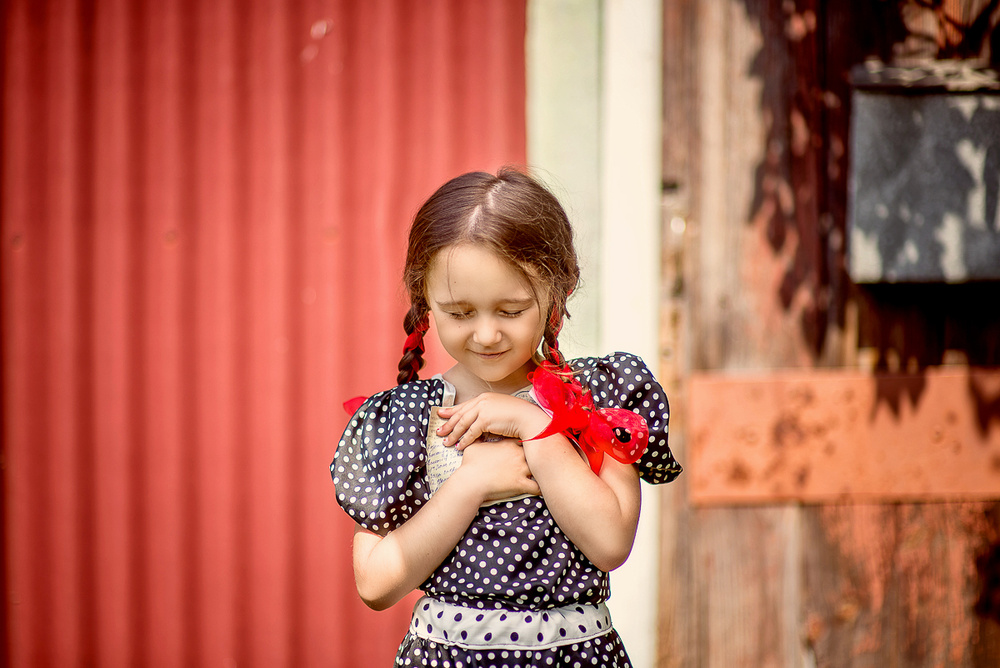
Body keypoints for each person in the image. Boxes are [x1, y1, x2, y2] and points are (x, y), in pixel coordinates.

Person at [331, 168, 682, 667]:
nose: (487, 334)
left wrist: (533, 426)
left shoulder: (596, 398)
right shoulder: (403, 419)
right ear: (425, 300)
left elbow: (609, 543)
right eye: (460, 312)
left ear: (557, 289)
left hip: (574, 656)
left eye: (511, 310)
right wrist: (472, 483)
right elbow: (376, 582)